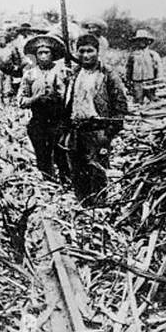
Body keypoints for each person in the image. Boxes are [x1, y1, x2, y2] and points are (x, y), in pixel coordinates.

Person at [65, 34, 128, 207]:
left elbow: (121, 104)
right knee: (77, 170)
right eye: (82, 51)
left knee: (97, 170)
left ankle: (99, 207)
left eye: (90, 51)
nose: (85, 55)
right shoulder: (74, 73)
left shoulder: (108, 74)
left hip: (98, 129)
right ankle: (83, 205)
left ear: (97, 52)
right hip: (77, 128)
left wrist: (110, 131)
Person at [16, 33, 70, 181]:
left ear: (53, 55)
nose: (44, 56)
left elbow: (70, 96)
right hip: (38, 118)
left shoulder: (63, 72)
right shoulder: (29, 74)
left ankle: (66, 180)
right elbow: (20, 100)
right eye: (40, 53)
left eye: (47, 53)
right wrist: (35, 98)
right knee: (42, 152)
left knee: (61, 152)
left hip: (58, 119)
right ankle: (48, 180)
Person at [126, 28, 161, 104]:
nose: (141, 42)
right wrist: (128, 81)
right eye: (139, 40)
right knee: (138, 101)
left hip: (150, 81)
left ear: (147, 41)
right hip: (137, 83)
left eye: (144, 40)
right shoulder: (133, 55)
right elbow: (129, 69)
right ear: (136, 42)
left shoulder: (152, 54)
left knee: (153, 100)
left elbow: (157, 69)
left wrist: (157, 81)